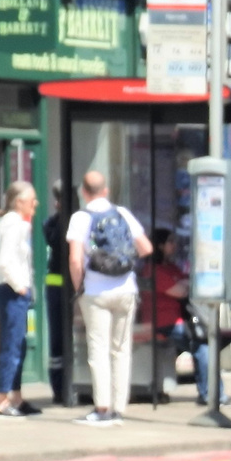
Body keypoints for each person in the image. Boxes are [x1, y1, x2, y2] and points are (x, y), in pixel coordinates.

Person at [66, 170, 152, 426]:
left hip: (96, 292)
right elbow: (145, 248)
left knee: (98, 350)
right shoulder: (122, 213)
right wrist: (124, 264)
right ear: (105, 191)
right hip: (126, 290)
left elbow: (74, 259)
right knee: (121, 350)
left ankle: (102, 408)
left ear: (84, 191)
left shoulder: (80, 218)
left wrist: (79, 287)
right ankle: (118, 408)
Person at [150, 230, 229, 406]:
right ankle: (212, 395)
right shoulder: (154, 270)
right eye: (170, 242)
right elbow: (180, 291)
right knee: (201, 345)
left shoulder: (173, 268)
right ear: (160, 246)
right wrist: (186, 285)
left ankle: (210, 393)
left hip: (181, 320)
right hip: (164, 322)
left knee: (205, 342)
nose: (174, 245)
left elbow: (191, 283)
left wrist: (186, 284)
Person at [0, 180, 39, 419]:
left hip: (10, 289)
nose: (35, 203)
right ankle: (2, 400)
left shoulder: (8, 222)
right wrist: (20, 287)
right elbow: (3, 261)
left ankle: (16, 397)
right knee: (12, 346)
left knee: (18, 344)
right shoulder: (14, 225)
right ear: (19, 202)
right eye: (32, 200)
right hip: (11, 291)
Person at [42, 180, 69, 403]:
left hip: (61, 288)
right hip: (59, 288)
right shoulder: (54, 225)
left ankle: (61, 387)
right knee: (58, 342)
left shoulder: (54, 222)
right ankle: (59, 387)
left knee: (61, 341)